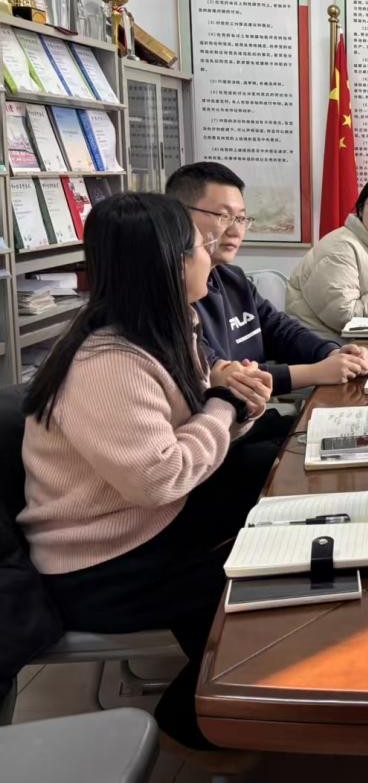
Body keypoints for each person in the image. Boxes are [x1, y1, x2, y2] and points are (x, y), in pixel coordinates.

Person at [18, 193, 277, 763]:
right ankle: (194, 717)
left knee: (274, 467)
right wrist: (225, 406)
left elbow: (198, 424)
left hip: (146, 521)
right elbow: (161, 476)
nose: (213, 254)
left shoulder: (164, 329)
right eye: (200, 246)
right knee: (267, 585)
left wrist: (240, 404)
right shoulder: (108, 362)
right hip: (102, 565)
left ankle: (235, 678)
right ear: (167, 265)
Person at [166, 162, 368, 395]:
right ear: (179, 216)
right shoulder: (172, 296)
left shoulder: (234, 279)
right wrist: (318, 371)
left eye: (241, 218)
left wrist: (332, 353)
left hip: (252, 411)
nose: (236, 230)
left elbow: (280, 330)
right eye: (223, 216)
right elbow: (220, 376)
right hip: (225, 415)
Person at [287, 177, 368, 338]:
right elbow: (345, 318)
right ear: (361, 209)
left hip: (365, 336)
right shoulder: (340, 248)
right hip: (321, 343)